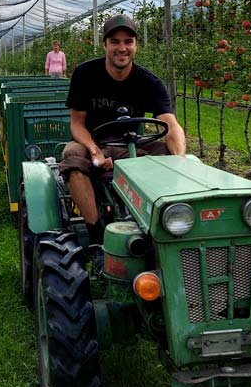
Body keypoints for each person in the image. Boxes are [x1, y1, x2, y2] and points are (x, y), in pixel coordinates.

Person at [59, 14, 186, 242]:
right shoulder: (85, 74)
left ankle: (166, 228)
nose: (122, 48)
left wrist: (180, 160)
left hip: (132, 145)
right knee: (71, 157)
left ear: (136, 45)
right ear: (105, 44)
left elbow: (170, 123)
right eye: (115, 41)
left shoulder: (149, 82)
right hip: (91, 141)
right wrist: (93, 149)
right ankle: (97, 232)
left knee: (169, 157)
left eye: (128, 41)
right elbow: (77, 123)